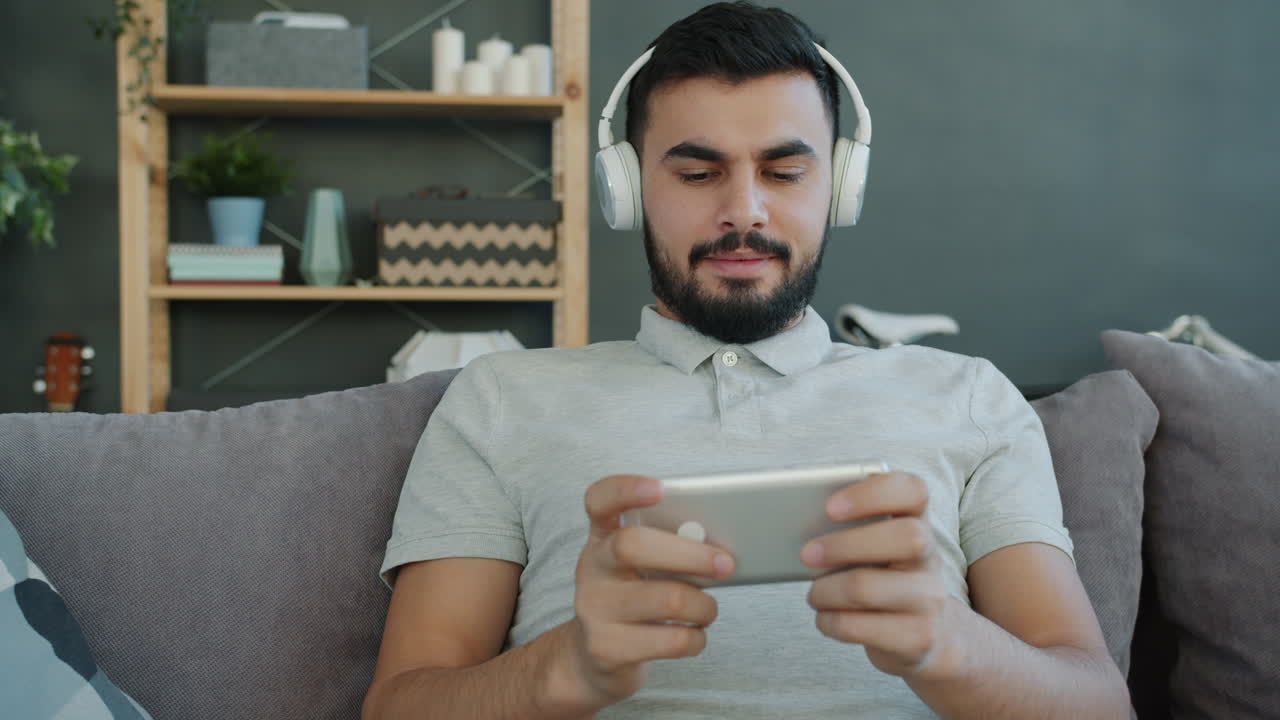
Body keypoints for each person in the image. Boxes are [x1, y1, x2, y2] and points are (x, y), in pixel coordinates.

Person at [361, 3, 1130, 718]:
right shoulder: (500, 399)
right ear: (626, 188)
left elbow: (1100, 704)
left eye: (785, 172)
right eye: (697, 174)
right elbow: (398, 704)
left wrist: (954, 647)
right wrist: (565, 667)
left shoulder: (970, 398)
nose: (744, 211)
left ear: (842, 187)